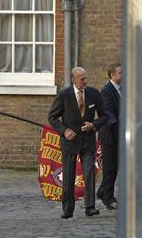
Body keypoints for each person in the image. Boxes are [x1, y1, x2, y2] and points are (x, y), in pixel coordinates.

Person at [48, 67, 108, 218]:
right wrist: (64, 131)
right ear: (73, 79)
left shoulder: (94, 94)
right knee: (68, 175)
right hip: (70, 142)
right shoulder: (64, 95)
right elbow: (53, 117)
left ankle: (90, 207)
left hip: (88, 140)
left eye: (86, 78)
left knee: (89, 173)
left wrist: (93, 125)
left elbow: (105, 115)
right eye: (82, 79)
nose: (85, 81)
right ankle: (68, 209)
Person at [96, 62, 121, 210]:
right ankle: (108, 197)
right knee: (110, 167)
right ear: (112, 75)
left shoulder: (123, 89)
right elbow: (107, 112)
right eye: (120, 73)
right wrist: (120, 122)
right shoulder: (106, 91)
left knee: (116, 166)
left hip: (119, 134)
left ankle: (102, 191)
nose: (122, 75)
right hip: (109, 135)